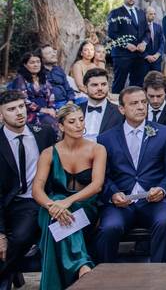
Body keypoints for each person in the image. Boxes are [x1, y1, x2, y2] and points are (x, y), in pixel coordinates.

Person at [95, 86, 166, 263]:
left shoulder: (164, 133)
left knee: (165, 221)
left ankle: (158, 273)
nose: (141, 107)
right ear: (121, 109)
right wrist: (113, 194)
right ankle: (104, 275)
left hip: (154, 201)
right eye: (134, 103)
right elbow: (104, 175)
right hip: (121, 202)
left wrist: (162, 189)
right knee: (109, 228)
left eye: (143, 102)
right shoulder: (105, 138)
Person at [32, 103, 106, 290]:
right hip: (54, 208)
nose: (79, 125)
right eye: (72, 122)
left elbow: (97, 185)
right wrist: (52, 206)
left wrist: (67, 201)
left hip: (85, 205)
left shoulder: (97, 149)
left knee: (56, 217)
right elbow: (37, 190)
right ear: (61, 126)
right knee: (51, 211)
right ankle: (82, 265)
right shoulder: (48, 153)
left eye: (81, 120)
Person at [0, 92, 57, 290]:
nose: (18, 113)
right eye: (11, 109)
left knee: (21, 235)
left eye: (21, 107)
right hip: (7, 202)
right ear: (1, 115)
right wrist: (0, 233)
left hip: (35, 199)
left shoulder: (45, 133)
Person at [107, 0, 148, 93]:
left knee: (138, 84)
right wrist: (126, 44)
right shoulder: (115, 12)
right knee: (119, 83)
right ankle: (115, 106)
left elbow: (146, 32)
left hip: (139, 55)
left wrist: (144, 43)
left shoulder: (141, 13)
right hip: (122, 54)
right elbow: (111, 33)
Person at [6, 52, 57, 129]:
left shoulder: (43, 78)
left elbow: (51, 96)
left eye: (38, 62)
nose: (36, 65)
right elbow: (23, 100)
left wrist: (52, 109)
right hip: (30, 113)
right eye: (32, 62)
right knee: (50, 123)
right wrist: (43, 110)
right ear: (25, 65)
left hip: (47, 110)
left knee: (65, 118)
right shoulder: (20, 80)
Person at [78, 69, 123, 139]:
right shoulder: (76, 109)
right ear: (85, 88)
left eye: (103, 84)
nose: (100, 88)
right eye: (95, 85)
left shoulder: (119, 111)